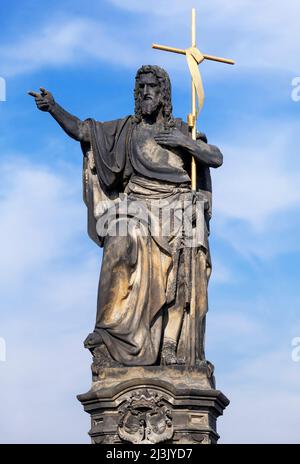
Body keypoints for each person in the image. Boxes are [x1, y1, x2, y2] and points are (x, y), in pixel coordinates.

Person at [29, 65, 223, 368]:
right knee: (119, 239)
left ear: (163, 94)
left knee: (185, 263)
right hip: (136, 207)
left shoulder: (184, 130)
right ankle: (109, 334)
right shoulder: (126, 130)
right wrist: (53, 107)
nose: (145, 93)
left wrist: (184, 143)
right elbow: (83, 130)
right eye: (140, 88)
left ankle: (170, 344)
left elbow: (216, 158)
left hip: (177, 206)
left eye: (151, 88)